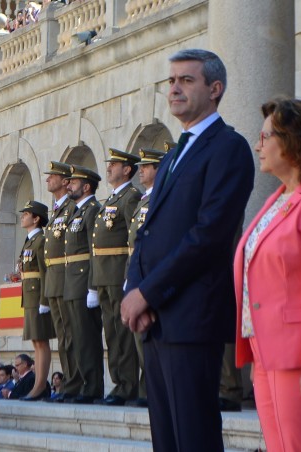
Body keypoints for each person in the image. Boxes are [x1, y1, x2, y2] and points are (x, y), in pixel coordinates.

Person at [122, 49, 255, 452]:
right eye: (172, 80)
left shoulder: (228, 147)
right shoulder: (176, 152)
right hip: (156, 319)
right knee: (167, 441)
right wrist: (134, 288)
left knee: (193, 438)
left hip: (192, 317)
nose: (175, 88)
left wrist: (146, 293)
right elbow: (148, 233)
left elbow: (207, 237)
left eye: (187, 80)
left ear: (215, 90)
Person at [233, 98, 301, 451]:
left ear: (293, 141)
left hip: (299, 355)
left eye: (266, 137)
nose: (258, 145)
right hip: (267, 352)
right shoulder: (279, 197)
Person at [92, 148, 142, 406]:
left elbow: (133, 239)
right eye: (109, 163)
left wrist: (128, 275)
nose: (109, 167)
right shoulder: (112, 198)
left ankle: (128, 385)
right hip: (103, 274)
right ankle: (119, 383)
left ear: (127, 169)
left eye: (115, 164)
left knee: (122, 333)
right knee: (111, 333)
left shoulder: (131, 197)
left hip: (118, 272)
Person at [125, 148, 166, 408]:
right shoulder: (142, 200)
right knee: (137, 337)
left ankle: (152, 389)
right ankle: (145, 388)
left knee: (151, 335)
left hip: (151, 272)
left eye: (147, 166)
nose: (142, 171)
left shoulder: (159, 198)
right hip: (136, 269)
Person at [63, 164, 103, 404]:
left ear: (86, 186)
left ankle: (92, 387)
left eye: (74, 182)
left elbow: (93, 250)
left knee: (86, 338)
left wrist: (92, 286)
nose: (69, 185)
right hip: (70, 281)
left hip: (82, 279)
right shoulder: (76, 212)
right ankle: (81, 384)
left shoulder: (92, 210)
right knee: (75, 338)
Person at [43, 160, 79, 402]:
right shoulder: (56, 209)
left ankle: (75, 383)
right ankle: (68, 381)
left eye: (52, 176)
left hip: (67, 278)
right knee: (63, 336)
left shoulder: (70, 208)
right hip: (54, 279)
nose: (48, 180)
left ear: (64, 182)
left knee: (72, 334)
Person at [17, 200, 54, 400]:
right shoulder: (30, 240)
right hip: (29, 295)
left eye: (27, 213)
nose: (23, 216)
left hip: (38, 294)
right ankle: (37, 385)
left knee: (41, 341)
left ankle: (40, 385)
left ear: (36, 218)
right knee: (36, 341)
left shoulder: (40, 240)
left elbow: (45, 271)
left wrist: (44, 301)